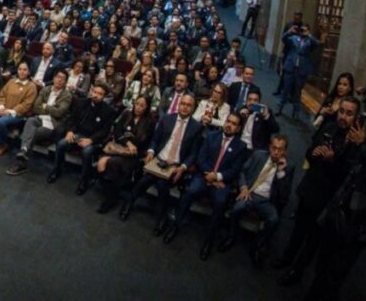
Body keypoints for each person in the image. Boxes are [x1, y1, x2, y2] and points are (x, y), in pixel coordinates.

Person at [274, 97, 365, 277]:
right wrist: (315, 153)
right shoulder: (330, 127)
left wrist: (332, 160)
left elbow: (349, 176)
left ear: (356, 117)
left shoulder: (357, 145)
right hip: (311, 188)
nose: (343, 117)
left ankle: (296, 271)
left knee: (313, 238)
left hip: (328, 199)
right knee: (298, 229)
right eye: (341, 111)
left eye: (349, 114)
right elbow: (309, 152)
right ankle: (287, 257)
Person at [300, 128, 366, 301]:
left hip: (354, 233)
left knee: (335, 276)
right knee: (322, 266)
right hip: (336, 221)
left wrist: (362, 145)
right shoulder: (364, 160)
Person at [163, 112, 248, 261]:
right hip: (203, 176)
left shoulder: (241, 146)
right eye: (228, 121)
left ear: (239, 128)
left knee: (220, 203)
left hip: (221, 182)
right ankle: (175, 226)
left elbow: (235, 170)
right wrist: (209, 175)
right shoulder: (211, 136)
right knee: (190, 191)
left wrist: (217, 177)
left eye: (234, 124)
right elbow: (201, 158)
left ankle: (209, 240)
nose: (229, 125)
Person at [120, 93, 203, 231]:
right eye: (183, 104)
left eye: (189, 105)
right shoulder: (167, 119)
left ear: (193, 108)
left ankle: (161, 218)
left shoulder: (196, 127)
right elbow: (155, 139)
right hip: (159, 160)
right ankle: (129, 204)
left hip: (175, 166)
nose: (185, 107)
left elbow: (194, 153)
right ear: (178, 104)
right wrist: (151, 152)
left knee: (161, 184)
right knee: (143, 181)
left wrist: (183, 167)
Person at [219, 133, 294, 268]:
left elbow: (284, 196)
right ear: (269, 147)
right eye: (274, 148)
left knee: (273, 219)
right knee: (237, 208)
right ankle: (231, 236)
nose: (276, 152)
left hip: (267, 201)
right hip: (250, 193)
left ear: (285, 151)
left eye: (280, 149)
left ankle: (258, 246)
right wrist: (243, 187)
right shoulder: (258, 155)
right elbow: (242, 171)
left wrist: (280, 173)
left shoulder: (288, 167)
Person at [47, 83, 115, 194]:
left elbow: (104, 131)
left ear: (104, 96)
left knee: (87, 152)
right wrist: (70, 131)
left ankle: (84, 180)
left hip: (93, 139)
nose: (96, 95)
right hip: (77, 133)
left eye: (100, 94)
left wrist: (91, 140)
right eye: (94, 92)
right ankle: (57, 169)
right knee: (61, 144)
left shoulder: (109, 111)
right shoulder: (82, 102)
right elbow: (72, 119)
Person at [95, 94, 156, 214]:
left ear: (147, 107)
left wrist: (129, 140)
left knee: (112, 163)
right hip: (120, 149)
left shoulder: (150, 122)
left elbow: (143, 142)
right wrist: (128, 142)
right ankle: (112, 195)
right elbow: (117, 133)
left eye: (142, 105)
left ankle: (109, 199)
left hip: (134, 155)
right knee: (100, 164)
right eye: (137, 104)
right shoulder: (127, 114)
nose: (138, 107)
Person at [5, 69, 71, 176]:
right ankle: (24, 152)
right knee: (30, 120)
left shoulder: (67, 95)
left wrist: (45, 106)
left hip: (52, 123)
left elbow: (59, 113)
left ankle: (22, 160)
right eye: (58, 77)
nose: (59, 80)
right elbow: (36, 107)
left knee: (32, 133)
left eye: (63, 79)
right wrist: (50, 109)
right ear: (54, 78)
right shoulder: (46, 89)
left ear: (65, 82)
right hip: (40, 118)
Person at [0, 61, 36, 155]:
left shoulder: (31, 87)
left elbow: (26, 105)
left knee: (0, 122)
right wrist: (1, 106)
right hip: (4, 109)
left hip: (18, 114)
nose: (22, 72)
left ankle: (2, 144)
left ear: (29, 72)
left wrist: (8, 111)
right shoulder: (11, 81)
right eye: (20, 69)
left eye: (25, 70)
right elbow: (2, 95)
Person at [279, 23, 320, 119]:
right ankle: (280, 107)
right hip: (290, 67)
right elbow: (284, 39)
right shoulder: (294, 38)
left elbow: (317, 44)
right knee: (286, 89)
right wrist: (289, 32)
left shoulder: (309, 41)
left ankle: (295, 112)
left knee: (297, 92)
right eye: (301, 30)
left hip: (301, 70)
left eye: (305, 30)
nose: (302, 32)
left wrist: (309, 35)